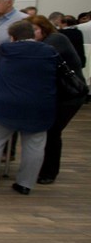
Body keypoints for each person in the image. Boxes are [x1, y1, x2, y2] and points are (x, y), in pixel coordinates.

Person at [0, 20, 57, 194]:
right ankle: (25, 184)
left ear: (12, 36)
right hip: (40, 105)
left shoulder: (6, 49)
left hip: (6, 103)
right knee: (34, 145)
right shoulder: (49, 51)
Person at [28, 15, 87, 184]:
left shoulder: (56, 40)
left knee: (52, 132)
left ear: (44, 28)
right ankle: (45, 170)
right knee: (50, 132)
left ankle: (49, 172)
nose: (32, 33)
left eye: (35, 30)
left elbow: (39, 55)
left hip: (70, 95)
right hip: (60, 94)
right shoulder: (51, 40)